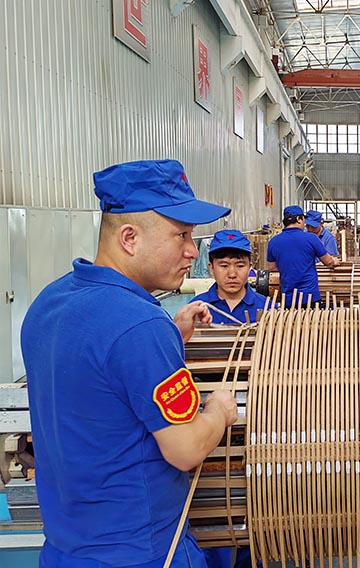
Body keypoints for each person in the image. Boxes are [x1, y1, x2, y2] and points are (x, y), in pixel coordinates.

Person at [20, 159, 239, 567]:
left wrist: (170, 335)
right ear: (129, 238)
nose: (193, 251)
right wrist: (219, 411)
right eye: (181, 235)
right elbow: (186, 448)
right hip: (143, 554)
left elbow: (99, 374)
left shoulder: (50, 303)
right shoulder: (139, 325)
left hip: (67, 550)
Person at [191, 229, 271, 323]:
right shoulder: (196, 309)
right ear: (211, 268)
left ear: (249, 268)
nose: (232, 274)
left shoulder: (267, 309)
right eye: (224, 266)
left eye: (240, 266)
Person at [266, 205, 340, 307]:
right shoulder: (311, 238)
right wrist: (334, 261)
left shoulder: (273, 242)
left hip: (288, 299)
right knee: (313, 318)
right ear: (298, 219)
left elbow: (272, 268)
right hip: (310, 298)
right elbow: (328, 262)